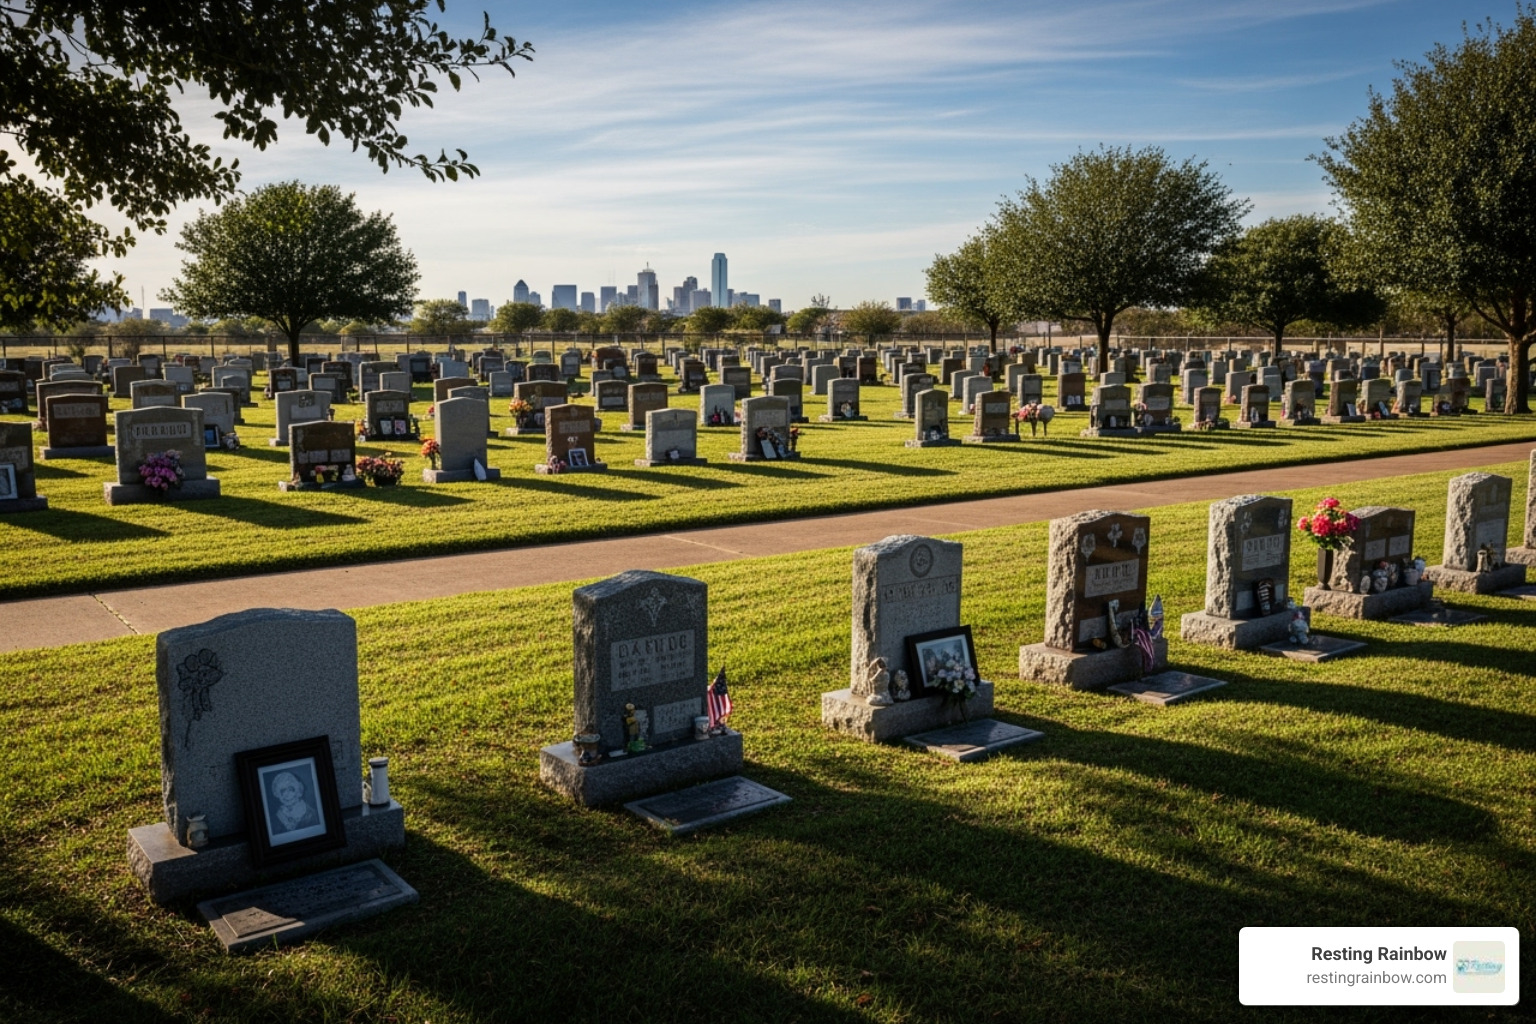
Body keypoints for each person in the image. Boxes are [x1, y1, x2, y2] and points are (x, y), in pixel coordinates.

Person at [268, 770, 320, 834]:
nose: (286, 794)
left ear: (299, 790)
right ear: (277, 794)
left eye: (291, 789)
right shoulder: (278, 816)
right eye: (282, 791)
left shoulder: (311, 814)